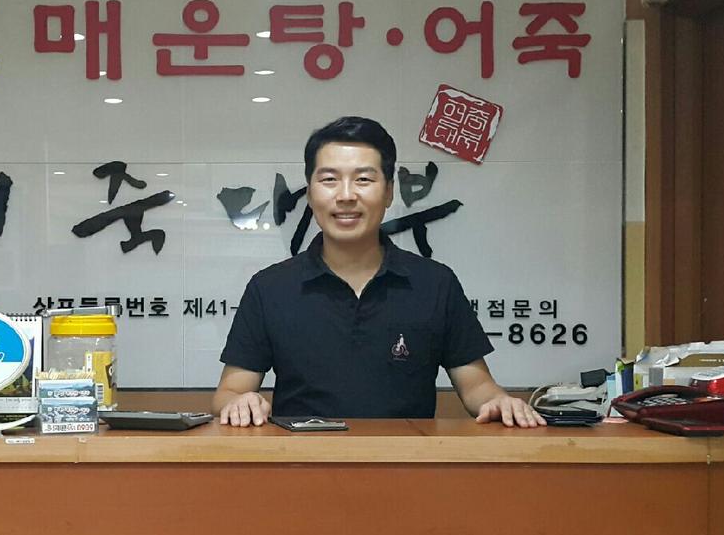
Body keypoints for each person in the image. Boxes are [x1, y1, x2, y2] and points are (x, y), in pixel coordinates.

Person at [212, 116, 544, 429]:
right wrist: (240, 402)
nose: (346, 195)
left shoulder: (435, 283)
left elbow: (476, 385)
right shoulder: (270, 288)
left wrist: (499, 401)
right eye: (329, 180)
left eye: (363, 179)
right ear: (310, 194)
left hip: (408, 463)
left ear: (388, 192)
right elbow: (229, 391)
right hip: (300, 462)